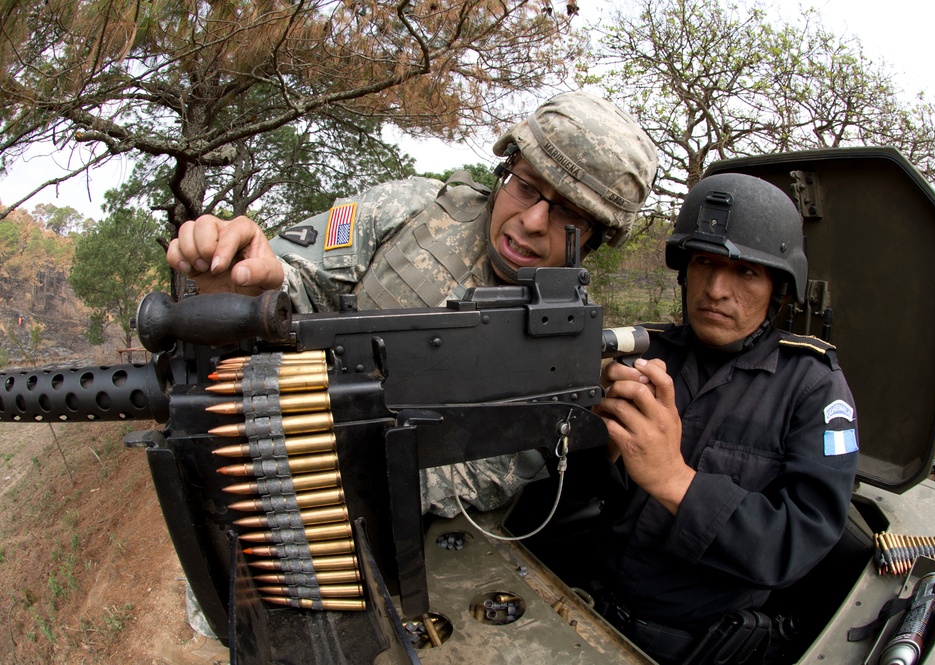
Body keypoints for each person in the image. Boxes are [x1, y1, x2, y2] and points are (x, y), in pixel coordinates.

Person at [167, 90, 659, 517]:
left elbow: (483, 478)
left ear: (595, 238)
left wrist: (332, 467)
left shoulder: (566, 350)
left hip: (372, 528)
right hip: (264, 462)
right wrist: (256, 290)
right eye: (525, 186)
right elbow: (301, 285)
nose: (531, 221)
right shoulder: (411, 209)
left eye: (568, 212)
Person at [592, 173, 860, 664]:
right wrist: (602, 449)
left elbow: (797, 543)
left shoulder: (813, 387)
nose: (716, 289)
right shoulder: (644, 356)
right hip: (583, 612)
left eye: (746, 272)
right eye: (704, 262)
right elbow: (571, 500)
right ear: (684, 270)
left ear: (779, 287)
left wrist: (676, 480)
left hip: (692, 650)